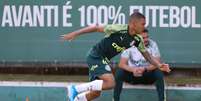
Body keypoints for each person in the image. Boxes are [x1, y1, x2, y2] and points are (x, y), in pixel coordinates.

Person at [61, 12, 170, 101]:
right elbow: (95, 28)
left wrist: (158, 64)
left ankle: (76, 99)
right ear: (133, 23)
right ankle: (75, 89)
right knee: (111, 82)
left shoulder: (137, 39)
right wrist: (75, 33)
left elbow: (147, 56)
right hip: (96, 55)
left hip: (103, 59)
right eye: (142, 24)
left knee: (95, 93)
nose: (144, 26)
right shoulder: (118, 28)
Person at [113, 29, 168, 101]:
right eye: (143, 38)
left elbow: (158, 63)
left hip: (147, 75)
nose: (146, 40)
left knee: (159, 72)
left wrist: (145, 69)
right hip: (132, 75)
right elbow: (121, 64)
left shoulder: (153, 44)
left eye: (147, 37)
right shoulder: (128, 44)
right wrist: (133, 70)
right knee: (119, 73)